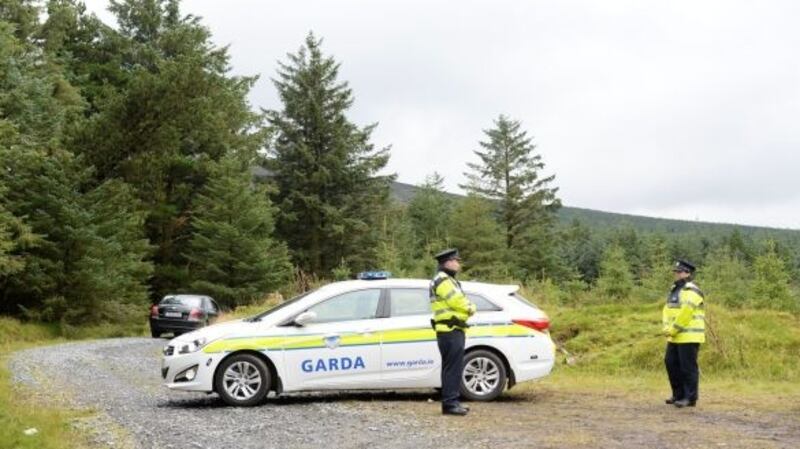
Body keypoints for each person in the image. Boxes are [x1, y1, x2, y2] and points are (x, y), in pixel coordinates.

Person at [430, 248, 476, 416]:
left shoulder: (446, 279)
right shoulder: (443, 280)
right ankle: (450, 404)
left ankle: (452, 401)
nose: (458, 264)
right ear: (447, 262)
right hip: (450, 329)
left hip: (451, 329)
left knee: (452, 368)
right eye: (456, 261)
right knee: (452, 369)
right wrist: (472, 307)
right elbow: (458, 301)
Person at [662, 259, 706, 408]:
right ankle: (678, 395)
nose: (677, 274)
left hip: (689, 335)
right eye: (676, 271)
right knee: (671, 363)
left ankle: (690, 398)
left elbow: (686, 312)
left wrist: (673, 329)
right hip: (674, 336)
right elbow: (667, 310)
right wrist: (666, 327)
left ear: (688, 273)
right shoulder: (675, 289)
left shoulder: (692, 290)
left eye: (679, 271)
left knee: (688, 368)